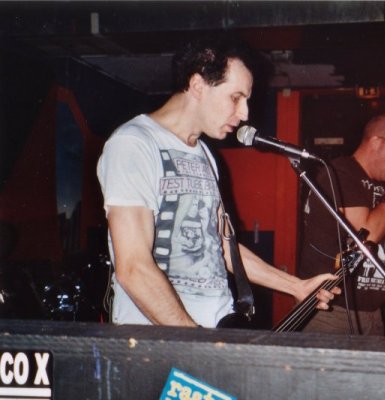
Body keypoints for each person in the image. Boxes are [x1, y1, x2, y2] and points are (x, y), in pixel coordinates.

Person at [96, 36, 339, 328]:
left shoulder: (205, 154)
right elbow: (134, 267)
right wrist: (194, 340)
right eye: (236, 98)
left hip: (216, 328)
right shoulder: (134, 143)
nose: (245, 113)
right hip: (163, 338)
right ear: (198, 86)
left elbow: (223, 248)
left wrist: (296, 286)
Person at [298, 114, 385, 335]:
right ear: (377, 142)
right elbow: (367, 236)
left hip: (373, 313)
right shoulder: (340, 173)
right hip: (331, 310)